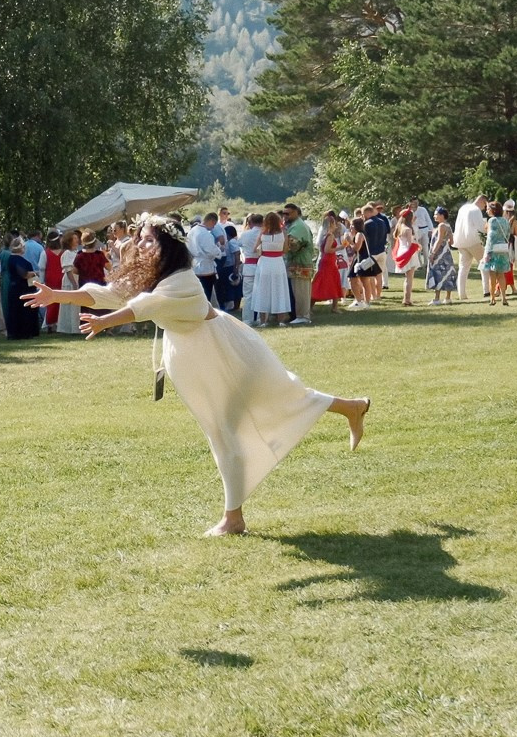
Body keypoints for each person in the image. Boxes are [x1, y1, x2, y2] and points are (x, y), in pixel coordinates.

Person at [21, 218, 370, 537]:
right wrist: (57, 295)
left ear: (166, 246)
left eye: (146, 240)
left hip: (228, 353)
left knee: (253, 414)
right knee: (240, 423)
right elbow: (107, 293)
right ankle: (351, 408)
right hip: (201, 358)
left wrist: (103, 322)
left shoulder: (182, 281)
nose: (140, 246)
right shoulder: (153, 276)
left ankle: (233, 518)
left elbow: (142, 308)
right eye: (140, 240)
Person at [249, 212, 292, 327]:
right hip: (277, 261)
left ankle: (263, 321)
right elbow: (285, 250)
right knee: (279, 289)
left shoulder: (262, 233)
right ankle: (281, 320)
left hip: (265, 262)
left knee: (263, 289)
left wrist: (263, 249)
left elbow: (254, 249)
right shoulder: (283, 233)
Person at [282, 203, 316, 325]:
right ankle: (300, 315)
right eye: (283, 213)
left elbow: (293, 245)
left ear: (296, 212)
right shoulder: (294, 225)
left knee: (301, 292)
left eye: (288, 213)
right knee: (299, 291)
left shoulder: (298, 227)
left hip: (300, 265)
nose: (285, 216)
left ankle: (303, 316)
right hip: (297, 264)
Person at [3, 237, 41, 340]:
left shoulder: (12, 258)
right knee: (23, 311)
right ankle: (23, 332)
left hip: (17, 287)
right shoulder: (16, 259)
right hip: (21, 288)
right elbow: (24, 274)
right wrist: (35, 273)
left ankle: (16, 332)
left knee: (16, 311)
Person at [453, 193, 489, 300]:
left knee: (463, 268)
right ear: (482, 201)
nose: (484, 209)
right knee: (484, 264)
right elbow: (481, 227)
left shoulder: (463, 208)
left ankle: (461, 294)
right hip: (473, 241)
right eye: (485, 206)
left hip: (461, 240)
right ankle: (486, 290)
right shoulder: (475, 210)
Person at [311, 211, 346, 310]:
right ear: (331, 224)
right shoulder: (330, 236)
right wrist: (340, 247)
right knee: (324, 281)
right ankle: (332, 306)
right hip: (328, 261)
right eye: (334, 223)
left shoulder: (325, 235)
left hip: (327, 260)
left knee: (332, 281)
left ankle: (335, 306)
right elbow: (327, 250)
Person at [390, 207, 423, 306]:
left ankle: (406, 298)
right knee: (409, 278)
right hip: (408, 253)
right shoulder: (408, 229)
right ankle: (407, 299)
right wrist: (418, 245)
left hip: (402, 251)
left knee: (407, 277)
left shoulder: (399, 227)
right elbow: (410, 244)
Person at [188, 212, 223, 305]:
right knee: (206, 293)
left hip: (194, 264)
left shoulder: (192, 230)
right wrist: (219, 251)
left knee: (195, 293)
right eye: (214, 224)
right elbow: (211, 250)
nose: (213, 227)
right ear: (211, 221)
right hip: (205, 267)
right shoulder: (205, 234)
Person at [482, 200, 513, 306]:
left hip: (493, 249)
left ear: (493, 210)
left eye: (488, 209)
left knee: (492, 276)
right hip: (503, 249)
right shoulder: (505, 221)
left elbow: (490, 237)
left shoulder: (492, 221)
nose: (486, 211)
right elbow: (508, 234)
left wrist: (487, 252)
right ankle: (504, 297)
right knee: (501, 275)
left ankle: (492, 298)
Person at [362, 202, 393, 304]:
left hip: (371, 251)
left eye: (363, 214)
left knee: (370, 276)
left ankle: (373, 295)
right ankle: (378, 295)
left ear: (367, 213)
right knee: (379, 275)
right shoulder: (382, 221)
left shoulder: (367, 224)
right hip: (382, 250)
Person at [425, 206, 456, 305]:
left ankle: (437, 298)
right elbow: (451, 241)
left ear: (442, 215)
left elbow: (438, 241)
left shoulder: (441, 226)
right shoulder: (448, 226)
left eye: (436, 214)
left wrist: (433, 253)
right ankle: (447, 298)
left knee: (437, 273)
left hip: (439, 254)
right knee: (447, 274)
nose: (434, 216)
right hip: (446, 253)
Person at [238, 215, 264, 323]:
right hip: (261, 265)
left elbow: (238, 244)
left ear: (250, 223)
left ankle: (247, 319)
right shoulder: (264, 233)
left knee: (248, 294)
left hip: (249, 266)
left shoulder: (245, 234)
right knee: (260, 293)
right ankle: (259, 318)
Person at [57, 230, 83, 335]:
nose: (77, 240)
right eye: (75, 238)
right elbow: (68, 270)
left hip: (78, 278)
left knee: (76, 306)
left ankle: (76, 327)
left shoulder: (76, 252)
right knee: (70, 304)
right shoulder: (67, 253)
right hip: (71, 280)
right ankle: (69, 328)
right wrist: (74, 284)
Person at [215, 224, 243, 316]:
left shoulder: (231, 242)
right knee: (229, 287)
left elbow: (237, 254)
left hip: (231, 266)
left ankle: (236, 305)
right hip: (226, 266)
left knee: (234, 286)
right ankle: (231, 305)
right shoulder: (228, 242)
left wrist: (236, 268)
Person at [42, 233, 65, 332]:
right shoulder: (64, 252)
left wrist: (42, 281)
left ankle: (50, 323)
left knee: (51, 300)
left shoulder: (45, 253)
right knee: (61, 300)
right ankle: (59, 322)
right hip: (62, 277)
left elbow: (42, 267)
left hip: (50, 278)